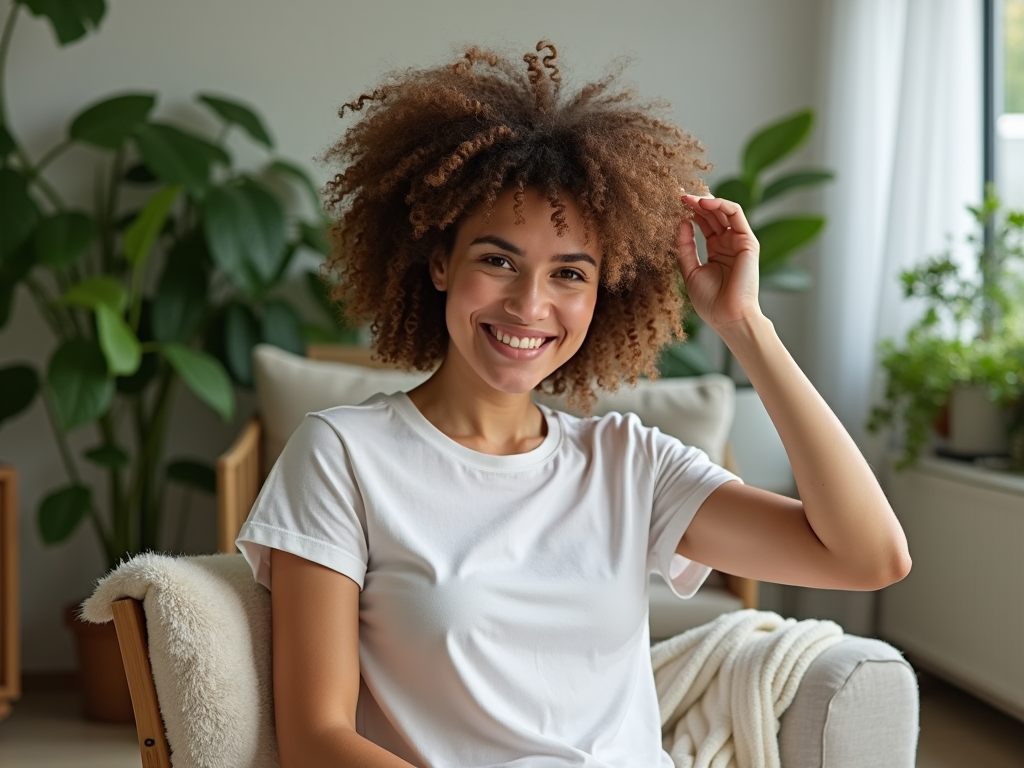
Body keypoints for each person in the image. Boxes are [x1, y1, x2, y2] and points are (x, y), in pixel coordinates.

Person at [235, 41, 911, 768]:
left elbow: (869, 556)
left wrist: (744, 326)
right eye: (497, 260)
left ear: (601, 294)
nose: (530, 305)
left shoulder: (629, 462)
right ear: (439, 262)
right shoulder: (342, 454)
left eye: (569, 274)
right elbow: (316, 736)